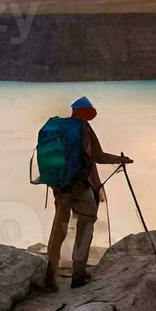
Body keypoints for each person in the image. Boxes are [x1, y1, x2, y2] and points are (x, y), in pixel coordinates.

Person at [43, 96, 132, 291]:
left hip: (60, 187)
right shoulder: (84, 129)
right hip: (79, 186)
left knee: (58, 231)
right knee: (86, 224)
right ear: (84, 113)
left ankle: (50, 278)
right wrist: (121, 159)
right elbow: (99, 156)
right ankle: (78, 276)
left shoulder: (60, 129)